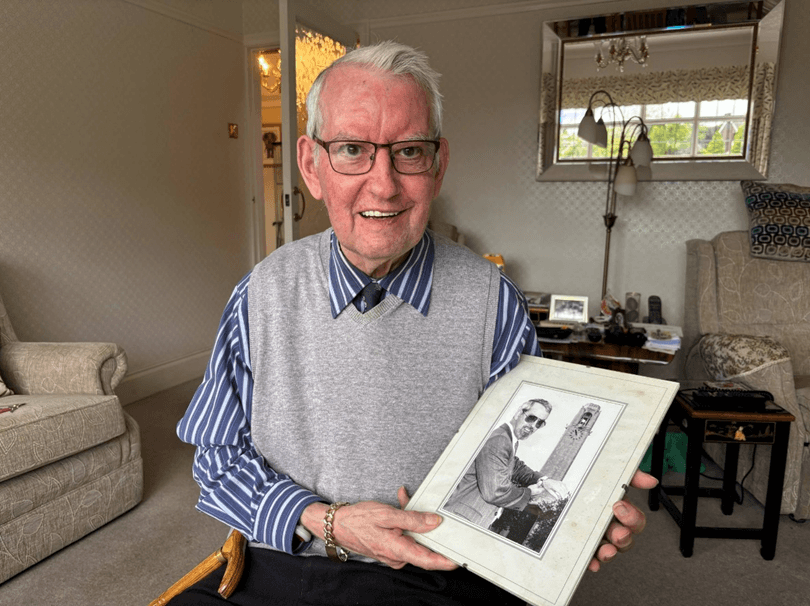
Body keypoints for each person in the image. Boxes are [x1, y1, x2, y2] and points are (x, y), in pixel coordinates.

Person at [174, 41, 656, 605]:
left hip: (440, 572)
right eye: (352, 149)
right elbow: (215, 457)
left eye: (408, 151)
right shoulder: (260, 293)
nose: (383, 185)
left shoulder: (492, 302)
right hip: (288, 558)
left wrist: (581, 512)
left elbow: (523, 446)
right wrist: (326, 521)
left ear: (438, 164)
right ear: (311, 166)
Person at [444, 399, 569, 529]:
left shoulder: (509, 440)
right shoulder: (500, 440)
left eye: (540, 423)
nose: (533, 426)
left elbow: (516, 466)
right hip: (461, 517)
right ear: (519, 413)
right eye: (531, 418)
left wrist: (545, 480)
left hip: (468, 517)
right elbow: (494, 492)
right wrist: (529, 493)